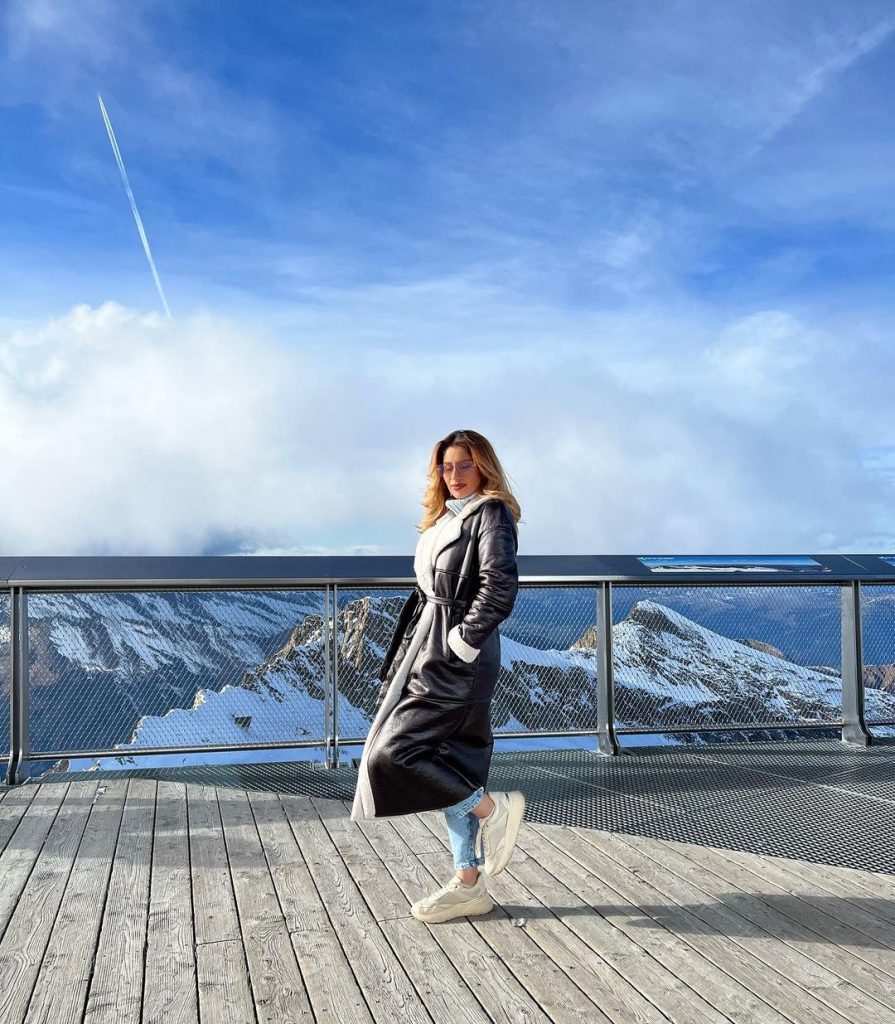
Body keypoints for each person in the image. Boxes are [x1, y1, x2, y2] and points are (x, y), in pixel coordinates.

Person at [350, 428, 525, 923]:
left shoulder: (491, 514)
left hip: (456, 660)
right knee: (455, 761)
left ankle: (493, 810)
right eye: (446, 467)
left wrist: (461, 642)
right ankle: (469, 884)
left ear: (483, 466)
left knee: (393, 752)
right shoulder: (450, 517)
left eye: (464, 465)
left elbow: (500, 585)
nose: (454, 475)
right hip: (433, 648)